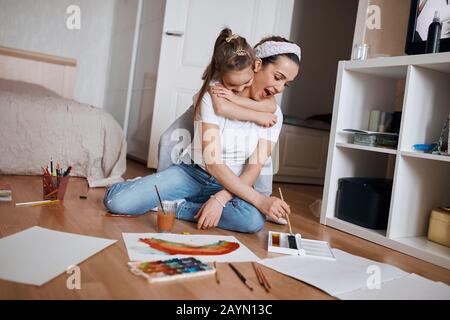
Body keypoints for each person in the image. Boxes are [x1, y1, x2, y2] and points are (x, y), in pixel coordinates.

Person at [103, 29, 301, 233]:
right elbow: (212, 162)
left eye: (286, 84)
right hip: (193, 174)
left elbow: (254, 168)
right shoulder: (214, 94)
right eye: (277, 77)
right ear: (257, 64)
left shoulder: (274, 114)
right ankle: (156, 195)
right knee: (117, 202)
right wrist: (260, 200)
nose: (279, 88)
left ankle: (175, 206)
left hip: (231, 186)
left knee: (251, 220)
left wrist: (220, 199)